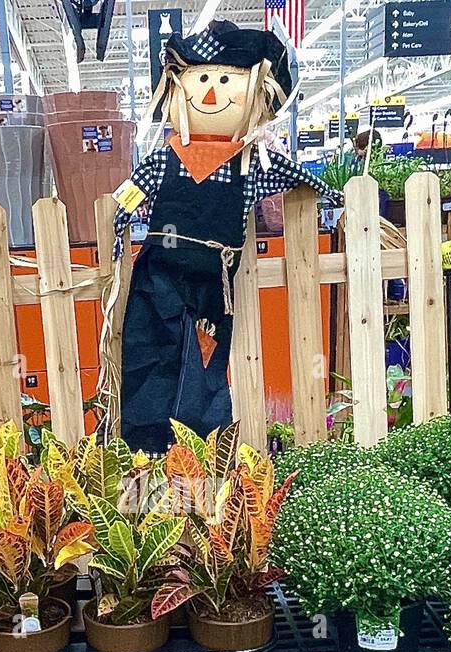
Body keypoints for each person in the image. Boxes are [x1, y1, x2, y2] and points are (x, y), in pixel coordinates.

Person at [106, 20, 342, 453]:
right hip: (155, 284)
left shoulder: (250, 165)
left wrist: (336, 194)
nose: (211, 93)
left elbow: (302, 178)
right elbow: (126, 198)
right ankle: (145, 475)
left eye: (225, 80)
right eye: (202, 80)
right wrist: (118, 230)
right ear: (180, 88)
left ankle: (200, 482)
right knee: (149, 367)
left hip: (213, 292)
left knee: (205, 375)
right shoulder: (165, 160)